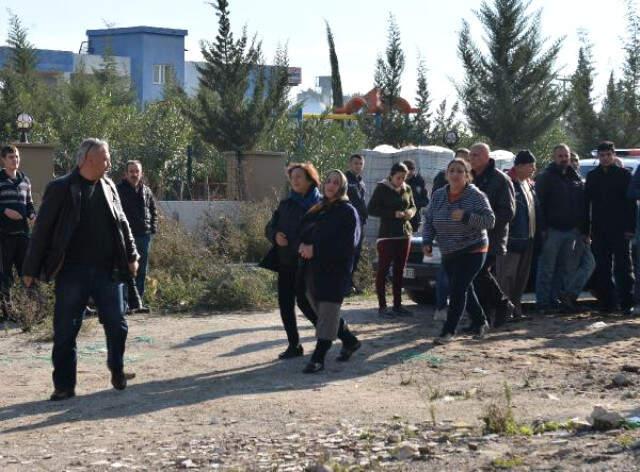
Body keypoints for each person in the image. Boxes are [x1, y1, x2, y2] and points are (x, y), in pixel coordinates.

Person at [22, 138, 139, 401]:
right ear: (88, 160)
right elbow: (42, 231)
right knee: (65, 330)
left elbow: (123, 223)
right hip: (72, 272)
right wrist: (30, 268)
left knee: (118, 325)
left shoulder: (109, 186)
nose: (110, 162)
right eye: (106, 157)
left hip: (107, 271)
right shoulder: (61, 188)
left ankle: (116, 367)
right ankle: (64, 386)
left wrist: (132, 254)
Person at [263, 163, 360, 360]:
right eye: (293, 177)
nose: (295, 180)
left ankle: (331, 341)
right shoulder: (288, 204)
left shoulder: (323, 205)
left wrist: (310, 248)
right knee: (288, 304)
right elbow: (271, 227)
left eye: (299, 176)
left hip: (310, 264)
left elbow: (340, 241)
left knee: (312, 304)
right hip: (286, 261)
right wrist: (275, 236)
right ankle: (295, 344)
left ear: (310, 179)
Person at [423, 158, 495, 344]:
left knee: (457, 289)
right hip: (449, 251)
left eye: (460, 171)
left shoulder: (475, 195)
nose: (455, 174)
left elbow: (490, 221)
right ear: (447, 175)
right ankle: (481, 322)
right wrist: (427, 241)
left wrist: (467, 216)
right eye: (452, 171)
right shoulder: (438, 195)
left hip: (474, 248)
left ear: (467, 175)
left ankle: (448, 331)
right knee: (464, 288)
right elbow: (429, 220)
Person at [298, 170, 362, 373]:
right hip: (312, 271)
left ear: (342, 187)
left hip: (335, 272)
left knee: (327, 313)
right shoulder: (318, 209)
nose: (331, 185)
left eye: (336, 183)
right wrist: (301, 245)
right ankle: (350, 341)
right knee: (322, 313)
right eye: (329, 181)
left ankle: (318, 358)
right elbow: (303, 231)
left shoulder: (348, 211)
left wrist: (315, 249)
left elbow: (347, 245)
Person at [534, 144, 587, 314]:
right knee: (546, 268)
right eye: (560, 156)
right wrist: (543, 229)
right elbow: (539, 205)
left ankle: (554, 300)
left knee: (562, 269)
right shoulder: (546, 177)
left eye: (566, 155)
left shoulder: (575, 177)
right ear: (554, 157)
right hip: (552, 230)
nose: (564, 159)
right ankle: (542, 303)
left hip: (571, 230)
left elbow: (580, 204)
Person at [585, 141, 636, 315]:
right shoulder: (593, 176)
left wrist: (630, 228)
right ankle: (606, 303)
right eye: (602, 155)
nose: (605, 158)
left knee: (623, 267)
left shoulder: (623, 175)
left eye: (608, 155)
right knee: (602, 267)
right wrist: (587, 229)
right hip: (599, 229)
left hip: (620, 229)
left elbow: (630, 204)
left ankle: (626, 303)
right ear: (598, 157)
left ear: (613, 155)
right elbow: (586, 204)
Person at [468, 143, 516, 327]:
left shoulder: (500, 179)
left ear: (487, 158)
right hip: (471, 237)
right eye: (471, 155)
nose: (472, 158)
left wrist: (485, 224)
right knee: (476, 278)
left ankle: (503, 304)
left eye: (477, 155)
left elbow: (508, 212)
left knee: (479, 273)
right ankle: (483, 319)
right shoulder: (470, 179)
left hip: (492, 237)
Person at [367, 162, 417, 316]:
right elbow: (371, 209)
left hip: (404, 234)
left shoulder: (407, 188)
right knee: (383, 270)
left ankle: (397, 305)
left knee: (399, 270)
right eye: (398, 177)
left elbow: (414, 206)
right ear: (391, 175)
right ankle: (382, 306)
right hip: (387, 235)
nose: (401, 181)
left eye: (404, 178)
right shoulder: (382, 188)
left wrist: (410, 212)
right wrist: (392, 213)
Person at [496, 150, 537, 319]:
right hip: (510, 240)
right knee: (506, 277)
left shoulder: (529, 183)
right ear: (519, 166)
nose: (533, 169)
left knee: (521, 277)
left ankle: (516, 309)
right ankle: (502, 311)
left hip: (528, 238)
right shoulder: (508, 183)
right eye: (530, 166)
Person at [431, 148, 469, 321]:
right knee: (444, 274)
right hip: (446, 235)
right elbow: (434, 206)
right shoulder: (441, 180)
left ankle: (460, 310)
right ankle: (441, 307)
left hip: (467, 238)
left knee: (463, 278)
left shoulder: (472, 188)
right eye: (454, 168)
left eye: (461, 168)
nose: (456, 173)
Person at [0, 145, 36, 320]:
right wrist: (4, 210)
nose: (15, 160)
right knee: (4, 276)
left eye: (17, 156)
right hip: (4, 236)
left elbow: (29, 204)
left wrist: (32, 214)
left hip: (22, 234)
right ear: (3, 160)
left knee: (27, 273)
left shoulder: (25, 180)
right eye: (11, 157)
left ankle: (30, 310)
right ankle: (6, 313)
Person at [116, 160, 157, 313]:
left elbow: (153, 211)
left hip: (143, 236)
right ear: (125, 174)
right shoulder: (118, 190)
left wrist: (152, 229)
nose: (134, 174)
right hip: (125, 237)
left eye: (136, 171)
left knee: (141, 270)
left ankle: (137, 303)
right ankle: (124, 303)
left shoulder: (146, 190)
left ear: (141, 173)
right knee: (125, 270)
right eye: (131, 171)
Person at [558, 154, 595, 312]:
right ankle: (568, 297)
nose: (573, 164)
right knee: (573, 266)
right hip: (572, 230)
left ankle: (570, 295)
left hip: (582, 231)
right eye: (570, 161)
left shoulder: (580, 182)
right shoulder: (567, 183)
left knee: (588, 264)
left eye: (576, 161)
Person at [345, 153, 367, 294]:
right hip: (348, 223)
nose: (358, 166)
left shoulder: (361, 182)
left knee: (356, 255)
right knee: (347, 254)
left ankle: (351, 283)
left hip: (360, 224)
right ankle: (344, 285)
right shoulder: (345, 180)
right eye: (355, 163)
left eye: (360, 163)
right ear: (350, 164)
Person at [403, 159, 429, 233]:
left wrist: (414, 205)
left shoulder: (419, 181)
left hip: (414, 219)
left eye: (411, 169)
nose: (409, 172)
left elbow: (426, 200)